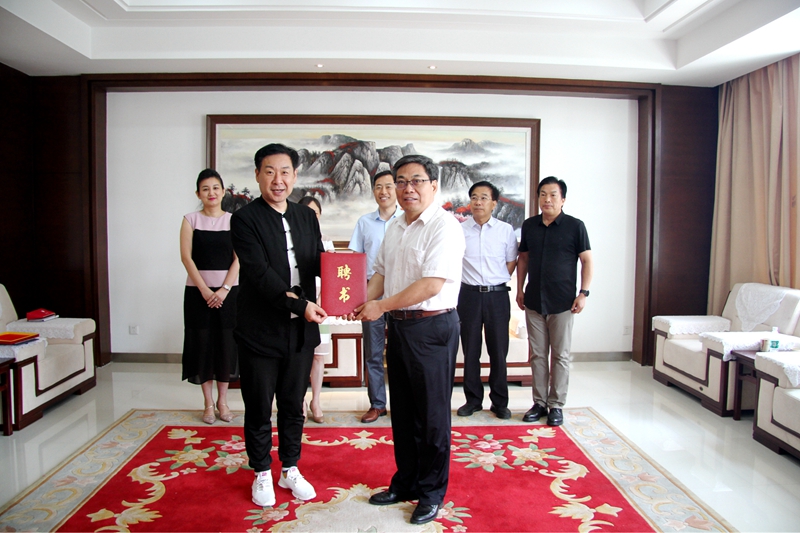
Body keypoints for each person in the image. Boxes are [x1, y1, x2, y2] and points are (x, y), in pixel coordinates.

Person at [354, 154, 465, 525]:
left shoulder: (444, 227)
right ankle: (406, 482)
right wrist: (361, 303)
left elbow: (431, 285)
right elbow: (381, 274)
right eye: (400, 181)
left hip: (432, 328)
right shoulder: (396, 226)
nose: (407, 188)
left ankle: (431, 493)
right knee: (403, 413)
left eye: (416, 180)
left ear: (433, 185)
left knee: (432, 416)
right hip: (399, 327)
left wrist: (379, 306)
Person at [231, 143, 327, 507]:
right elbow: (260, 275)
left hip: (300, 332)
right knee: (258, 405)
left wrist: (346, 286)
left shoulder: (306, 217)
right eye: (269, 172)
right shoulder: (244, 219)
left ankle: (289, 468)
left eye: (285, 172)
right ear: (258, 175)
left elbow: (318, 262)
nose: (278, 180)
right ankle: (260, 470)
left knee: (292, 403)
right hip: (260, 330)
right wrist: (301, 305)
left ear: (295, 176)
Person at [516, 176, 593, 427]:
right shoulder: (530, 225)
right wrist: (520, 289)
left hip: (563, 303)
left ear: (563, 199)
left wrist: (584, 293)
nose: (547, 199)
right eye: (542, 194)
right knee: (537, 355)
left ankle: (556, 404)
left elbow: (587, 261)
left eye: (553, 195)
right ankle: (539, 403)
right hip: (534, 300)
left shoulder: (575, 226)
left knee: (560, 355)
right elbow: (524, 259)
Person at [179, 168, 240, 425]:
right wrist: (205, 290)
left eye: (215, 188)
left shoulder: (234, 221)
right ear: (198, 194)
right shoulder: (190, 220)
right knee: (202, 345)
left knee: (226, 345)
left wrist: (224, 289)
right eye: (205, 189)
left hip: (229, 294)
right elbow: (186, 258)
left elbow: (239, 259)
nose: (211, 193)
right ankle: (207, 403)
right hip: (197, 294)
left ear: (223, 191)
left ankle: (223, 402)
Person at [456, 181, 518, 420]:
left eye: (483, 198)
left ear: (494, 203)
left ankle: (500, 402)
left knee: (498, 351)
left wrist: (495, 281)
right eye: (474, 197)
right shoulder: (459, 230)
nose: (478, 202)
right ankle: (473, 400)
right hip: (468, 296)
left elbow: (511, 262)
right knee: (470, 350)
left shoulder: (505, 230)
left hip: (497, 296)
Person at [348, 170, 401, 423]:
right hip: (371, 293)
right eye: (378, 187)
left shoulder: (408, 220)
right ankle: (377, 404)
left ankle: (402, 403)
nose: (384, 191)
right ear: (373, 191)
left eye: (388, 186)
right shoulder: (364, 222)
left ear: (396, 189)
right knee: (373, 352)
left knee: (402, 353)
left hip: (402, 292)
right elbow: (354, 261)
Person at [298, 196, 334, 424]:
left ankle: (316, 401)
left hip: (322, 307)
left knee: (318, 357)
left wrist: (320, 302)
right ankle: (300, 401)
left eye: (315, 214)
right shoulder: (292, 242)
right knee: (300, 357)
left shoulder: (327, 243)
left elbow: (332, 278)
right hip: (299, 307)